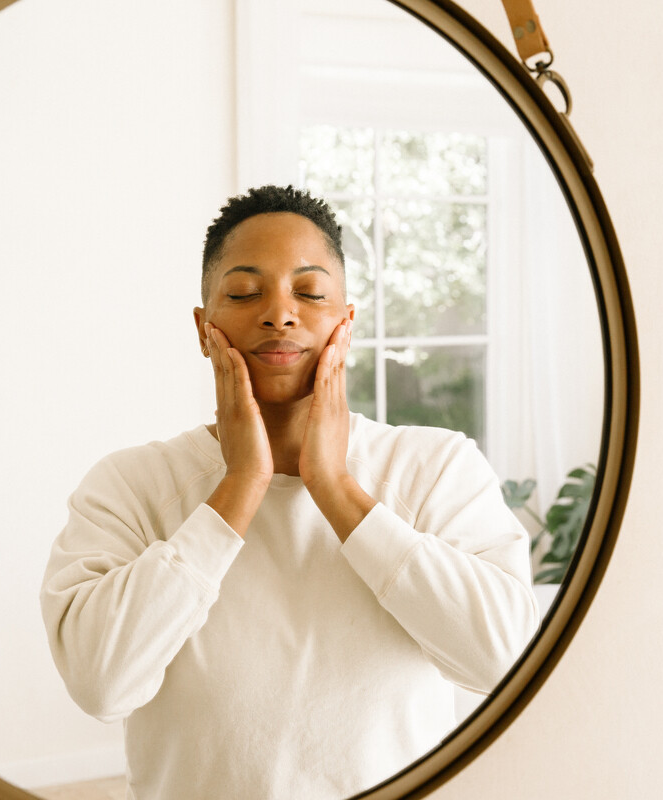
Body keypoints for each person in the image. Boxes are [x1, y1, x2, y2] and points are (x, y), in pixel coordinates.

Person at [40, 185, 539, 800]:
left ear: (346, 323)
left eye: (309, 292)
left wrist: (334, 487)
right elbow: (101, 682)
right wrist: (241, 484)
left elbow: (504, 660)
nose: (280, 314)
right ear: (204, 328)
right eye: (245, 293)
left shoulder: (437, 467)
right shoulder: (130, 485)